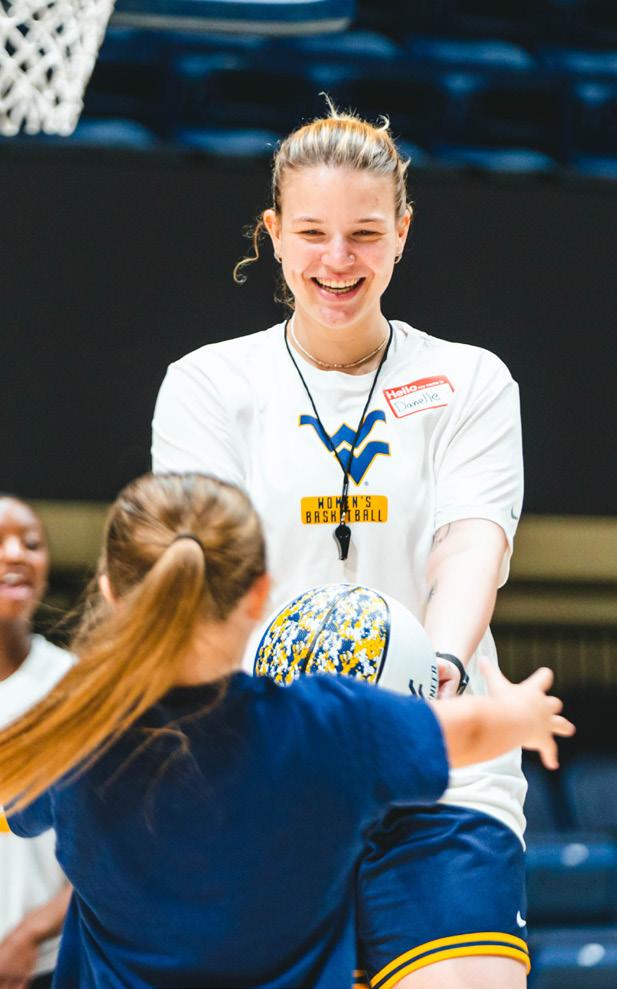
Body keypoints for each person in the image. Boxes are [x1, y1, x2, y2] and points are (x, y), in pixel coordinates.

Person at [152, 103, 531, 987]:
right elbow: (209, 574)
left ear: (401, 232)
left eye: (363, 233)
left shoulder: (469, 379)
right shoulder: (208, 384)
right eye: (312, 233)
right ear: (273, 233)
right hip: (265, 769)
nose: (337, 260)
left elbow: (469, 541)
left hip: (441, 758)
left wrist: (437, 668)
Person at [0, 472, 572, 989]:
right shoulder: (326, 722)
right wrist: (523, 715)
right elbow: (466, 730)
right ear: (258, 595)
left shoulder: (69, 734)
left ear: (110, 592)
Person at [0, 495, 72, 989]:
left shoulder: (77, 687)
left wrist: (30, 935)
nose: (15, 554)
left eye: (30, 543)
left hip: (44, 964)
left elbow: (112, 843)